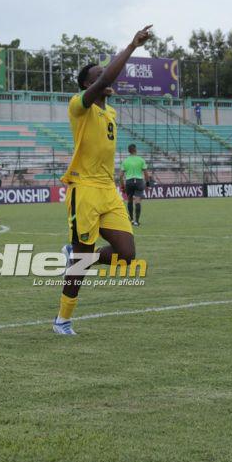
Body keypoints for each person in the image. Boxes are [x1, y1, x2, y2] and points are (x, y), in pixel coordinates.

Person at [54, 25, 152, 336]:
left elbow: (108, 79)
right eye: (98, 75)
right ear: (87, 84)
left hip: (108, 190)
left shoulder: (109, 114)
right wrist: (132, 46)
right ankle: (63, 320)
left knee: (126, 253)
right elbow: (107, 78)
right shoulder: (77, 106)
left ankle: (79, 256)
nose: (108, 78)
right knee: (81, 261)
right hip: (84, 190)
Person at [119, 144, 149, 226]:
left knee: (129, 200)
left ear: (129, 151)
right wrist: (148, 184)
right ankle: (137, 221)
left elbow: (121, 175)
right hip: (139, 181)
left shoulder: (125, 161)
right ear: (135, 150)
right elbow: (146, 174)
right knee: (138, 200)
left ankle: (131, 220)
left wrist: (122, 186)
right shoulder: (141, 160)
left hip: (129, 182)